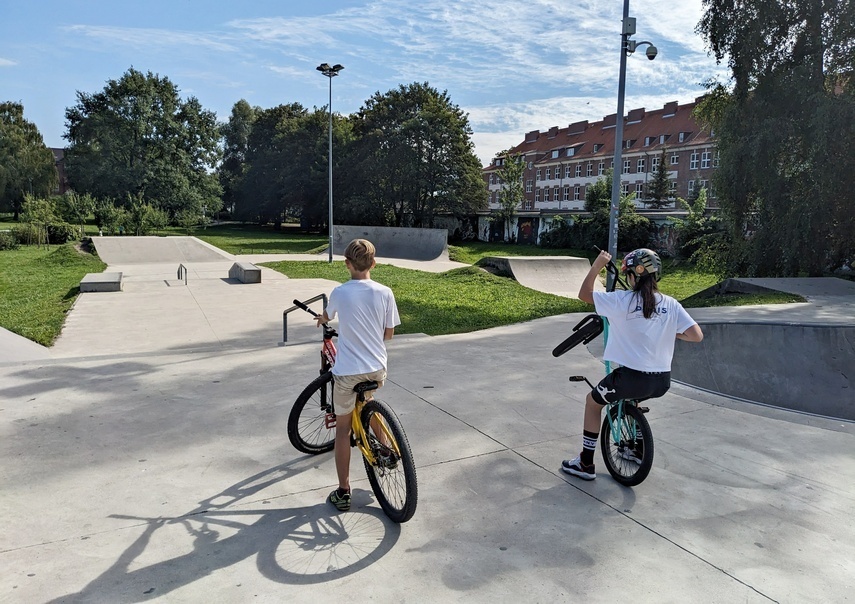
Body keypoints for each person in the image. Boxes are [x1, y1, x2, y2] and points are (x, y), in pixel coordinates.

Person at [562, 248, 704, 480]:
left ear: (631, 276)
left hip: (630, 379)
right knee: (633, 398)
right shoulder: (671, 304)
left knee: (592, 402)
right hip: (661, 382)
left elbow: (584, 294)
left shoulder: (621, 300)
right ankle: (636, 449)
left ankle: (586, 463)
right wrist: (670, 332)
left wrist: (597, 265)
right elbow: (696, 335)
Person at [314, 239, 401, 510]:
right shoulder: (385, 292)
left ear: (347, 264)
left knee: (342, 430)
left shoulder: (340, 291)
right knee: (367, 402)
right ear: (374, 264)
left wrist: (322, 319)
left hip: (347, 372)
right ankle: (385, 450)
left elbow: (327, 317)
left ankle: (343, 491)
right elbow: (388, 334)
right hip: (377, 368)